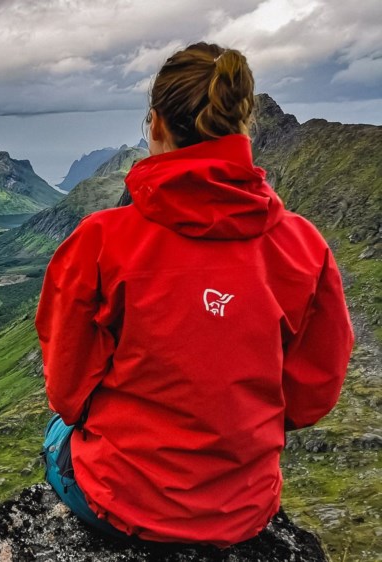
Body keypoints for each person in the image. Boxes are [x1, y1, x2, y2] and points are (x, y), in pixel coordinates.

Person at [35, 42, 354, 547]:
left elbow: (68, 392)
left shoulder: (100, 240)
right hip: (244, 507)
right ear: (242, 127)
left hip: (122, 500)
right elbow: (312, 394)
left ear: (156, 124)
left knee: (56, 434)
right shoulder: (302, 246)